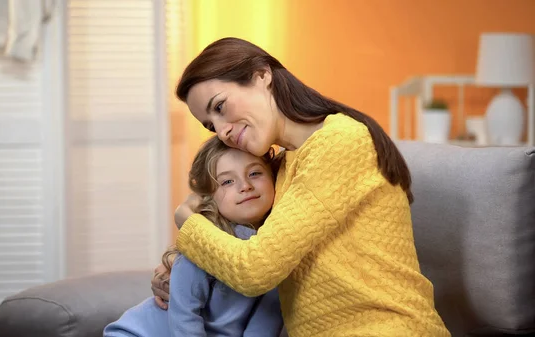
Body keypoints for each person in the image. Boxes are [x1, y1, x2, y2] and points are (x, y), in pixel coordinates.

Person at [151, 37, 451, 337]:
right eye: (210, 125)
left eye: (220, 106)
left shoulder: (340, 143)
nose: (223, 130)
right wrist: (179, 269)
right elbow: (234, 227)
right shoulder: (282, 166)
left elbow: (254, 269)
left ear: (262, 75)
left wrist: (186, 221)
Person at [104, 136, 284, 337]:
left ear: (274, 177)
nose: (245, 185)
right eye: (227, 181)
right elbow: (185, 319)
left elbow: (267, 319)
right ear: (209, 198)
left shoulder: (279, 249)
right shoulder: (201, 244)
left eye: (254, 173)